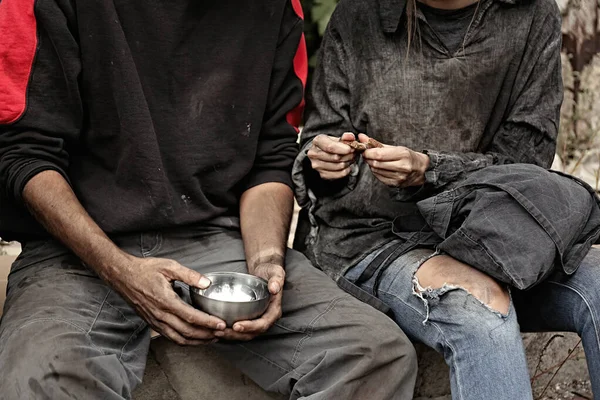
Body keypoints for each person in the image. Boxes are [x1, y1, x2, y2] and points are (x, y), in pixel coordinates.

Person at [0, 0, 418, 399]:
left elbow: (271, 154)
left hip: (217, 239)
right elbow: (23, 152)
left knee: (374, 354)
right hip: (73, 250)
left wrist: (267, 262)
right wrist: (119, 271)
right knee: (39, 378)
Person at [293, 0, 600, 398]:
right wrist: (327, 162)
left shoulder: (530, 15)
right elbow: (320, 141)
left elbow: (525, 161)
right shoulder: (360, 14)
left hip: (492, 232)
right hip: (371, 236)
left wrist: (429, 169)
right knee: (478, 310)